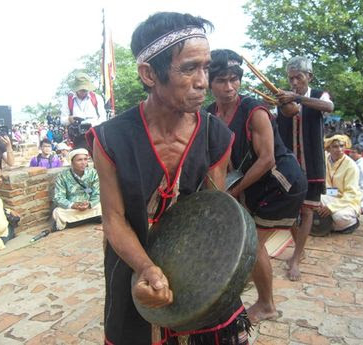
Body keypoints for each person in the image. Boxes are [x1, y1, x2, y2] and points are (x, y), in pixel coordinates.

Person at [86, 12, 250, 345]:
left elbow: (214, 212)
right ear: (149, 74)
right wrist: (145, 268)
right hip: (131, 258)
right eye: (189, 68)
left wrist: (211, 275)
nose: (203, 81)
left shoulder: (215, 135)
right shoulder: (111, 139)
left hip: (194, 259)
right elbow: (114, 220)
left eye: (206, 67)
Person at [207, 49, 307, 323]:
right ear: (208, 81)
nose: (229, 87)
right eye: (221, 81)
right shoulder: (210, 114)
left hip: (280, 182)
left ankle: (266, 305)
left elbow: (266, 159)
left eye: (234, 79)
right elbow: (220, 160)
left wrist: (232, 193)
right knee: (245, 240)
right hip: (254, 184)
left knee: (250, 245)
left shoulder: (254, 111)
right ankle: (251, 285)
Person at [276, 56, 334, 280]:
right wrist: (284, 103)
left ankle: (296, 257)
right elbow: (282, 116)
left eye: (298, 77)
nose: (294, 82)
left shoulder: (319, 95)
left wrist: (298, 98)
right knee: (289, 211)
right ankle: (299, 249)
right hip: (290, 164)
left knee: (308, 210)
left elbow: (329, 106)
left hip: (312, 163)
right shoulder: (284, 97)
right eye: (291, 78)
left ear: (309, 76)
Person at [312, 135, 362, 235]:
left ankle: (352, 222)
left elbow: (351, 194)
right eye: (335, 146)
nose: (339, 149)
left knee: (339, 217)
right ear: (328, 148)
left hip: (347, 201)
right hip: (329, 195)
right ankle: (329, 224)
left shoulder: (351, 166)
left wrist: (331, 207)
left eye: (342, 146)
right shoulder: (324, 159)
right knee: (313, 199)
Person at [52, 148, 101, 231]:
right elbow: (58, 197)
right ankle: (90, 219)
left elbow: (97, 193)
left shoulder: (93, 173)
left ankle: (74, 222)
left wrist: (89, 204)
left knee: (102, 206)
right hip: (72, 208)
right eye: (79, 160)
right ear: (72, 162)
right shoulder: (62, 176)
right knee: (58, 212)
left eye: (85, 159)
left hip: (89, 206)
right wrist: (72, 205)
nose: (83, 163)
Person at [60, 73, 107, 149]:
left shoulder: (97, 98)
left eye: (85, 89)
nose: (83, 91)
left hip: (95, 135)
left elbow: (103, 118)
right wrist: (69, 119)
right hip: (77, 137)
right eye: (81, 89)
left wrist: (92, 125)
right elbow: (62, 120)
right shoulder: (68, 100)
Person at [349, 144, 363, 215]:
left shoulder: (362, 167)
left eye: (353, 152)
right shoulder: (354, 164)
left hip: (361, 198)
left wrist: (361, 204)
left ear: (361, 154)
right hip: (354, 196)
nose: (350, 154)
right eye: (350, 152)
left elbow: (362, 186)